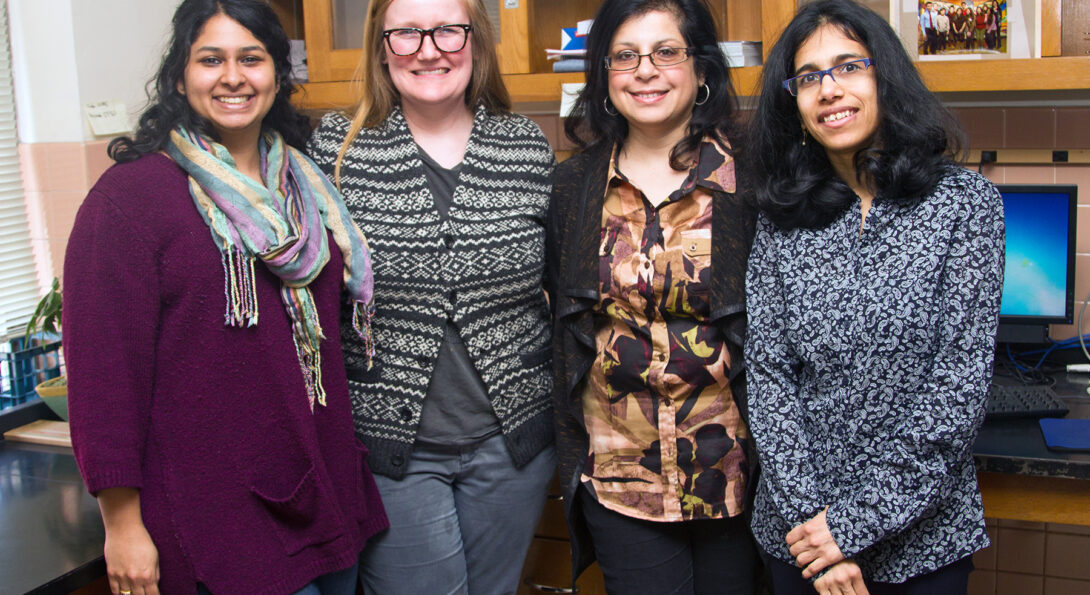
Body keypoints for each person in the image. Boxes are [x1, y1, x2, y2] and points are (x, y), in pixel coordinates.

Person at [64, 1, 389, 594]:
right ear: (181, 75)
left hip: (324, 495)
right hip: (216, 516)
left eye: (252, 58)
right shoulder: (130, 200)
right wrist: (122, 524)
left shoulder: (304, 183)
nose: (233, 77)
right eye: (211, 59)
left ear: (277, 74)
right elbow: (103, 379)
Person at [743, 0, 1004, 593]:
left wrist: (852, 527)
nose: (828, 90)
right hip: (799, 537)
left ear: (885, 75)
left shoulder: (964, 207)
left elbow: (956, 391)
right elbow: (769, 378)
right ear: (796, 104)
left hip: (923, 540)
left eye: (848, 67)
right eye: (808, 78)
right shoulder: (782, 217)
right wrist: (818, 534)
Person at [305, 0, 556, 592]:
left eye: (447, 29)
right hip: (391, 449)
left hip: (512, 444)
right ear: (380, 44)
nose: (428, 49)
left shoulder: (525, 149)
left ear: (476, 39)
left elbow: (562, 285)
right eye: (407, 33)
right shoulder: (339, 151)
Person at [547, 0, 761, 592]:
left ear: (701, 70)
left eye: (666, 52)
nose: (646, 70)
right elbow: (565, 327)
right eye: (625, 56)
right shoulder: (572, 188)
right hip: (620, 476)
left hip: (734, 474)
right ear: (604, 75)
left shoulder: (753, 181)